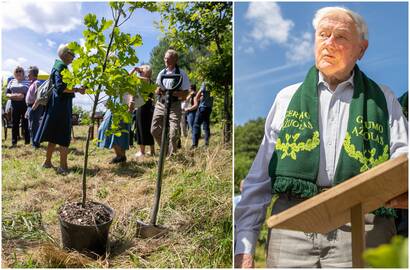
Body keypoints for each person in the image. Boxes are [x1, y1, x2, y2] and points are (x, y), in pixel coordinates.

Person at [235, 7, 408, 268]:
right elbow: (259, 179)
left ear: (361, 49)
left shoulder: (383, 98)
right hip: (292, 226)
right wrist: (244, 246)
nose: (329, 43)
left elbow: (403, 157)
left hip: (363, 223)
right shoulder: (286, 98)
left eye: (340, 37)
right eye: (323, 35)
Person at [34, 44, 85, 174]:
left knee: (53, 134)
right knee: (62, 135)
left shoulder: (59, 66)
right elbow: (60, 88)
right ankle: (63, 166)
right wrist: (78, 89)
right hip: (60, 106)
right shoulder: (61, 67)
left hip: (57, 105)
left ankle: (47, 162)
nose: (74, 57)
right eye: (72, 54)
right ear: (65, 54)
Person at [151, 49, 190, 156]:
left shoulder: (181, 74)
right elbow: (156, 88)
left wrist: (171, 93)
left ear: (175, 59)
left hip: (174, 105)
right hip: (161, 104)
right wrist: (157, 90)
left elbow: (185, 94)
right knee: (154, 130)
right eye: (165, 58)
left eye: (168, 58)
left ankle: (172, 156)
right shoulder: (162, 73)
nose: (165, 60)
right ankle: (166, 150)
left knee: (173, 134)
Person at [97, 93, 134, 164]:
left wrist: (130, 106)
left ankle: (121, 156)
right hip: (113, 106)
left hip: (122, 108)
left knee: (120, 133)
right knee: (104, 129)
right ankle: (120, 156)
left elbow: (130, 93)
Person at [130, 65, 156, 158]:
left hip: (143, 107)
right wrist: (136, 70)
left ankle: (142, 151)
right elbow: (128, 78)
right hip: (146, 107)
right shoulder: (148, 81)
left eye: (142, 69)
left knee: (141, 128)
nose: (140, 71)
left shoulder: (147, 80)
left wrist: (135, 70)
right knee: (147, 129)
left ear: (147, 72)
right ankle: (152, 151)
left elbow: (131, 77)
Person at [6, 66, 30, 146]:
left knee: (25, 123)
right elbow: (7, 93)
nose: (18, 72)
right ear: (14, 73)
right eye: (17, 71)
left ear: (23, 73)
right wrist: (13, 96)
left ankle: (27, 142)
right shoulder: (11, 81)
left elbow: (30, 93)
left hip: (24, 105)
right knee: (15, 123)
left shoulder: (27, 81)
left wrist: (23, 95)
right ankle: (14, 142)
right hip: (14, 105)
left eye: (20, 71)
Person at [190, 81, 213, 148]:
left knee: (196, 125)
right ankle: (206, 144)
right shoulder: (213, 83)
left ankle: (194, 144)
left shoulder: (205, 82)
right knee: (206, 126)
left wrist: (196, 99)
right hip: (209, 108)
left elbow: (199, 94)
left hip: (202, 107)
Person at [25, 66, 44, 147]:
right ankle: (34, 143)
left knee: (34, 126)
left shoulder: (37, 83)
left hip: (35, 106)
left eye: (29, 73)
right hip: (31, 106)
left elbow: (39, 97)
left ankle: (36, 144)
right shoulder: (32, 83)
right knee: (31, 126)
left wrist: (33, 108)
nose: (27, 75)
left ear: (33, 74)